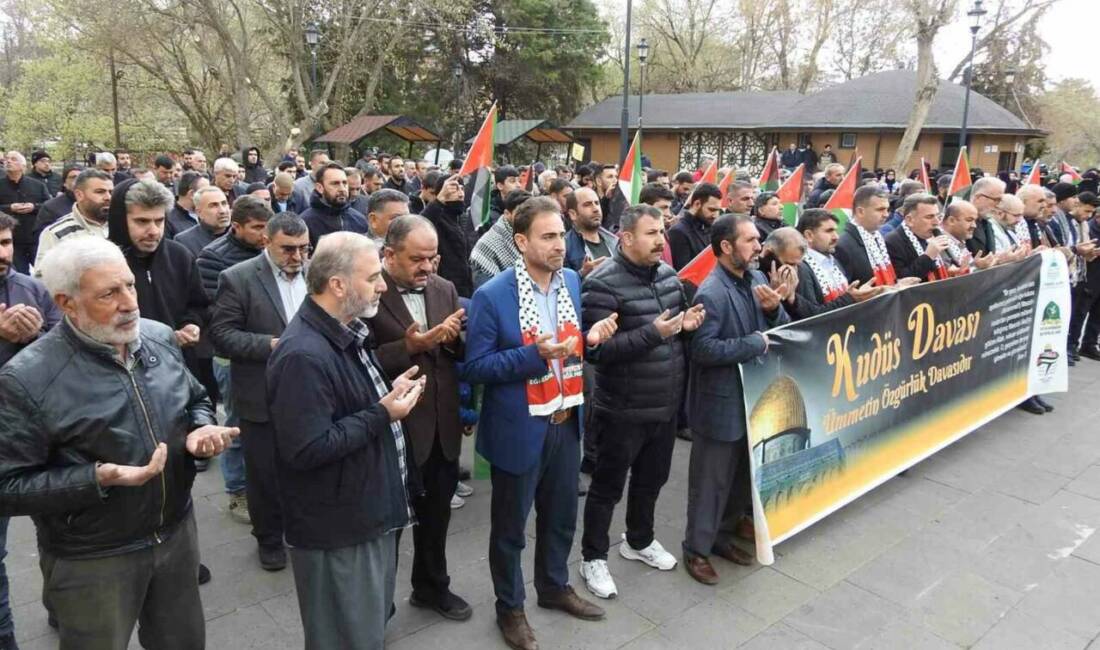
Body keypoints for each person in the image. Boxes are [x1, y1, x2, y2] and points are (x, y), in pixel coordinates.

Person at [0, 235, 238, 649]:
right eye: (109, 293)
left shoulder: (160, 337)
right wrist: (96, 479)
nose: (130, 302)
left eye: (129, 284)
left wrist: (200, 427)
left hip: (175, 534)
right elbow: (8, 486)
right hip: (93, 557)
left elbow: (197, 397)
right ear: (66, 303)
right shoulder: (26, 380)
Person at [460, 197, 617, 650]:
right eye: (547, 237)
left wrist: (590, 339)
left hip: (566, 423)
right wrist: (534, 357)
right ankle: (510, 607)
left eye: (560, 235)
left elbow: (570, 348)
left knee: (562, 517)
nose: (558, 246)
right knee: (510, 529)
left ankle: (553, 587)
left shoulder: (570, 279)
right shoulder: (492, 295)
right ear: (521, 241)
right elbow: (476, 368)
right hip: (519, 428)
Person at [267, 232, 423, 649]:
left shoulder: (344, 329)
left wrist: (384, 393)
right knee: (345, 636)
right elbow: (306, 448)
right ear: (337, 285)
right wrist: (383, 411)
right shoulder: (302, 353)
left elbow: (342, 407)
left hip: (364, 514)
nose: (383, 285)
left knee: (364, 630)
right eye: (373, 276)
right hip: (339, 530)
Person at [578, 204, 705, 600]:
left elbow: (671, 333)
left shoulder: (669, 277)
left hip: (664, 405)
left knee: (652, 481)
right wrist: (652, 333)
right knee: (607, 487)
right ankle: (593, 557)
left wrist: (684, 328)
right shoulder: (602, 283)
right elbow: (597, 352)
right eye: (651, 234)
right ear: (627, 237)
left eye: (661, 233)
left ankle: (639, 539)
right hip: (622, 408)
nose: (660, 241)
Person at [366, 215, 472, 621]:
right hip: (393, 429)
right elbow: (356, 360)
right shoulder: (369, 289)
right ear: (389, 255)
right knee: (388, 526)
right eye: (417, 259)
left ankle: (431, 588)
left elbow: (459, 351)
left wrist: (454, 339)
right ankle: (378, 605)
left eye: (434, 258)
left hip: (441, 428)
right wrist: (409, 346)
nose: (427, 267)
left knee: (437, 517)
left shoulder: (445, 288)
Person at [682, 214, 789, 585]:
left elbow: (780, 329)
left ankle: (723, 537)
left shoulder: (757, 279)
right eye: (749, 241)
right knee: (710, 482)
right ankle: (696, 550)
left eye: (758, 240)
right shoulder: (711, 291)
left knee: (742, 478)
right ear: (726, 247)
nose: (759, 247)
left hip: (754, 400)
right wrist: (752, 344)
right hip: (720, 403)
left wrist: (775, 309)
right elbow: (703, 348)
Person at [210, 212, 310, 572]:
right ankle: (268, 539)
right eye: (288, 249)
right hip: (261, 393)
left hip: (309, 391)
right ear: (266, 242)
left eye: (303, 248)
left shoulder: (315, 273)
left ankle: (301, 527)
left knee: (306, 466)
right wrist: (272, 344)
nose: (297, 257)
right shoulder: (237, 278)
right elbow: (222, 335)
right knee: (265, 473)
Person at [0, 212, 61, 649]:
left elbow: (62, 341)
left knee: (55, 526)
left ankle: (61, 602)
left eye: (5, 243)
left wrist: (36, 336)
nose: (2, 254)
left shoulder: (31, 289)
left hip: (38, 432)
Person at [197, 195, 273, 524]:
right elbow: (219, 318)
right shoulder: (213, 259)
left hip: (270, 353)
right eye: (257, 229)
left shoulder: (272, 253)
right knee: (237, 427)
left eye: (267, 228)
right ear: (237, 227)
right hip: (233, 358)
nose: (264, 235)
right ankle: (237, 491)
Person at [106, 178, 208, 358]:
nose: (153, 231)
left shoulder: (180, 256)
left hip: (178, 364)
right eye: (142, 221)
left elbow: (197, 305)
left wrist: (191, 325)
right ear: (120, 220)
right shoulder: (102, 264)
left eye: (159, 221)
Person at [792, 208, 883, 319]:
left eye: (836, 231)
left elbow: (843, 297)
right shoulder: (802, 268)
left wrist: (860, 294)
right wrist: (850, 298)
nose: (836, 237)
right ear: (809, 235)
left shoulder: (833, 260)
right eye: (829, 231)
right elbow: (811, 316)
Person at [34, 169, 114, 270]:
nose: (108, 197)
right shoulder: (56, 233)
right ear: (79, 195)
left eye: (111, 192)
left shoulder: (123, 225)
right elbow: (43, 276)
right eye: (100, 192)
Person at [835, 185, 913, 287]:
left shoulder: (877, 237)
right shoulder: (843, 245)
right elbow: (847, 291)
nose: (886, 214)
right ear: (860, 211)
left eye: (887, 209)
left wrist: (896, 285)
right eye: (880, 209)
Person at [422, 173, 478, 298]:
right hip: (443, 292)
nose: (461, 194)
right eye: (454, 189)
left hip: (463, 291)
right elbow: (420, 225)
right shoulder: (436, 218)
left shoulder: (460, 219)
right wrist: (440, 199)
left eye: (462, 189)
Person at [884, 193, 957, 282]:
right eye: (929, 217)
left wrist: (952, 270)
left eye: (938, 216)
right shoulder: (892, 242)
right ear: (910, 220)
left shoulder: (932, 235)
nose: (936, 222)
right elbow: (902, 280)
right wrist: (928, 257)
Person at [0, 151, 51, 273]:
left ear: (23, 166)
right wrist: (9, 208)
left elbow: (48, 206)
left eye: (13, 159)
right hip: (12, 240)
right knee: (18, 276)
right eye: (7, 159)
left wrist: (34, 207)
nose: (8, 161)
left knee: (44, 272)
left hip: (34, 238)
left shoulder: (37, 185)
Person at [470, 189, 531, 288]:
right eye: (521, 213)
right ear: (507, 214)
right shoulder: (488, 246)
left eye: (531, 212)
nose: (528, 217)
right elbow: (488, 293)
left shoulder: (531, 233)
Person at [300, 163, 370, 248]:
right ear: (319, 188)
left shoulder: (359, 220)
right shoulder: (305, 223)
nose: (342, 189)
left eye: (344, 183)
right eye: (335, 183)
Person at [668, 182, 722, 270]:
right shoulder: (678, 232)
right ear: (697, 204)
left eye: (718, 210)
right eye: (712, 210)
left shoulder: (710, 227)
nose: (715, 215)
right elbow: (684, 273)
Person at [564, 187, 617, 276]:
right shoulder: (565, 247)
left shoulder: (615, 241)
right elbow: (561, 284)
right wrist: (582, 274)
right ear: (573, 214)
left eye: (597, 203)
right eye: (587, 204)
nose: (595, 209)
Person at [939, 200, 995, 273]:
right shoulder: (939, 243)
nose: (974, 226)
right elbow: (948, 276)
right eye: (969, 220)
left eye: (975, 221)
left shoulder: (958, 240)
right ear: (951, 220)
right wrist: (975, 266)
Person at [34, 164, 82, 237]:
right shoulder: (50, 207)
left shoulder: (96, 203)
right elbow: (42, 236)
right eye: (73, 177)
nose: (77, 180)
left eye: (81, 177)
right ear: (64, 183)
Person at [639, 182, 677, 266]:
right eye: (663, 208)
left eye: (669, 208)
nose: (668, 214)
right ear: (646, 206)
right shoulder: (632, 237)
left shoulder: (665, 234)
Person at [167, 171, 210, 239]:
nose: (210, 196)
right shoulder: (168, 220)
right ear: (192, 194)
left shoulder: (207, 214)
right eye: (205, 192)